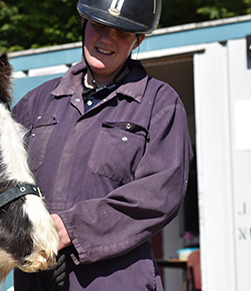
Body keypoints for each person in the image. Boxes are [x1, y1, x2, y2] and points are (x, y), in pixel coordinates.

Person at [11, 0, 193, 290]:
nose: (106, 39)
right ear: (83, 24)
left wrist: (70, 229)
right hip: (37, 279)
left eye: (121, 33)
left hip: (118, 281)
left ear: (138, 40)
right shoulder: (36, 102)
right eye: (98, 26)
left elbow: (159, 194)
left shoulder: (159, 103)